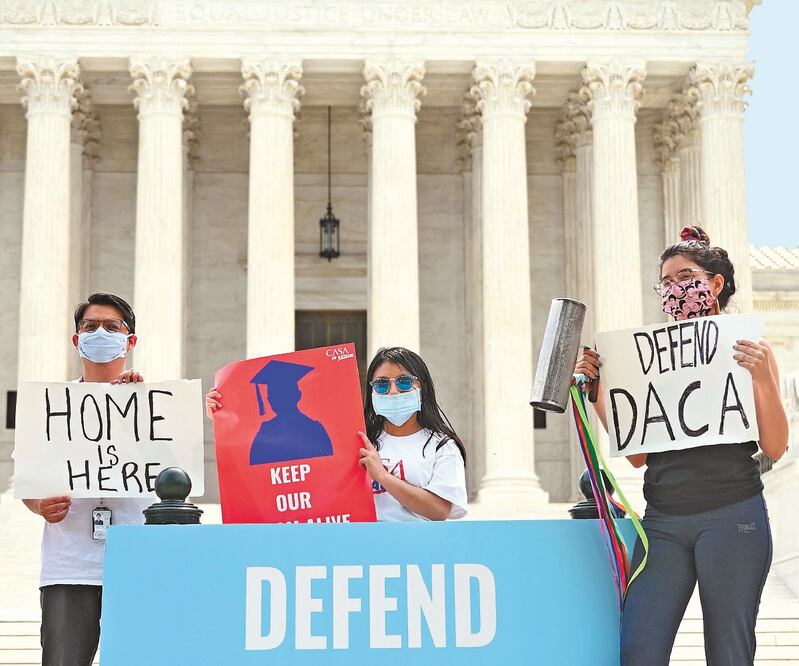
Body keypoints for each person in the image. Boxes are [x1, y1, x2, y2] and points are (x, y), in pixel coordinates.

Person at [575, 226, 788, 666]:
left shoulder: (750, 349)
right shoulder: (647, 358)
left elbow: (776, 445)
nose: (675, 289)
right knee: (639, 648)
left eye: (685, 276)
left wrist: (764, 377)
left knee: (729, 653)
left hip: (733, 517)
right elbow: (637, 455)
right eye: (666, 282)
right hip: (664, 522)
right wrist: (600, 392)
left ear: (715, 284)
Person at [22, 292, 147, 666]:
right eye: (90, 327)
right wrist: (40, 505)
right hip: (70, 564)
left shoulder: (156, 403)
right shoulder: (49, 407)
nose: (100, 333)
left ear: (130, 340)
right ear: (77, 341)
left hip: (140, 560)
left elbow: (182, 470)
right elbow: (28, 480)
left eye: (112, 327)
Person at [357, 346, 468, 522]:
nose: (393, 391)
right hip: (364, 544)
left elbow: (439, 511)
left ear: (421, 387)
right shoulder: (359, 441)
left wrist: (382, 476)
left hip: (418, 546)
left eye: (404, 382)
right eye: (382, 384)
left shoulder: (442, 446)